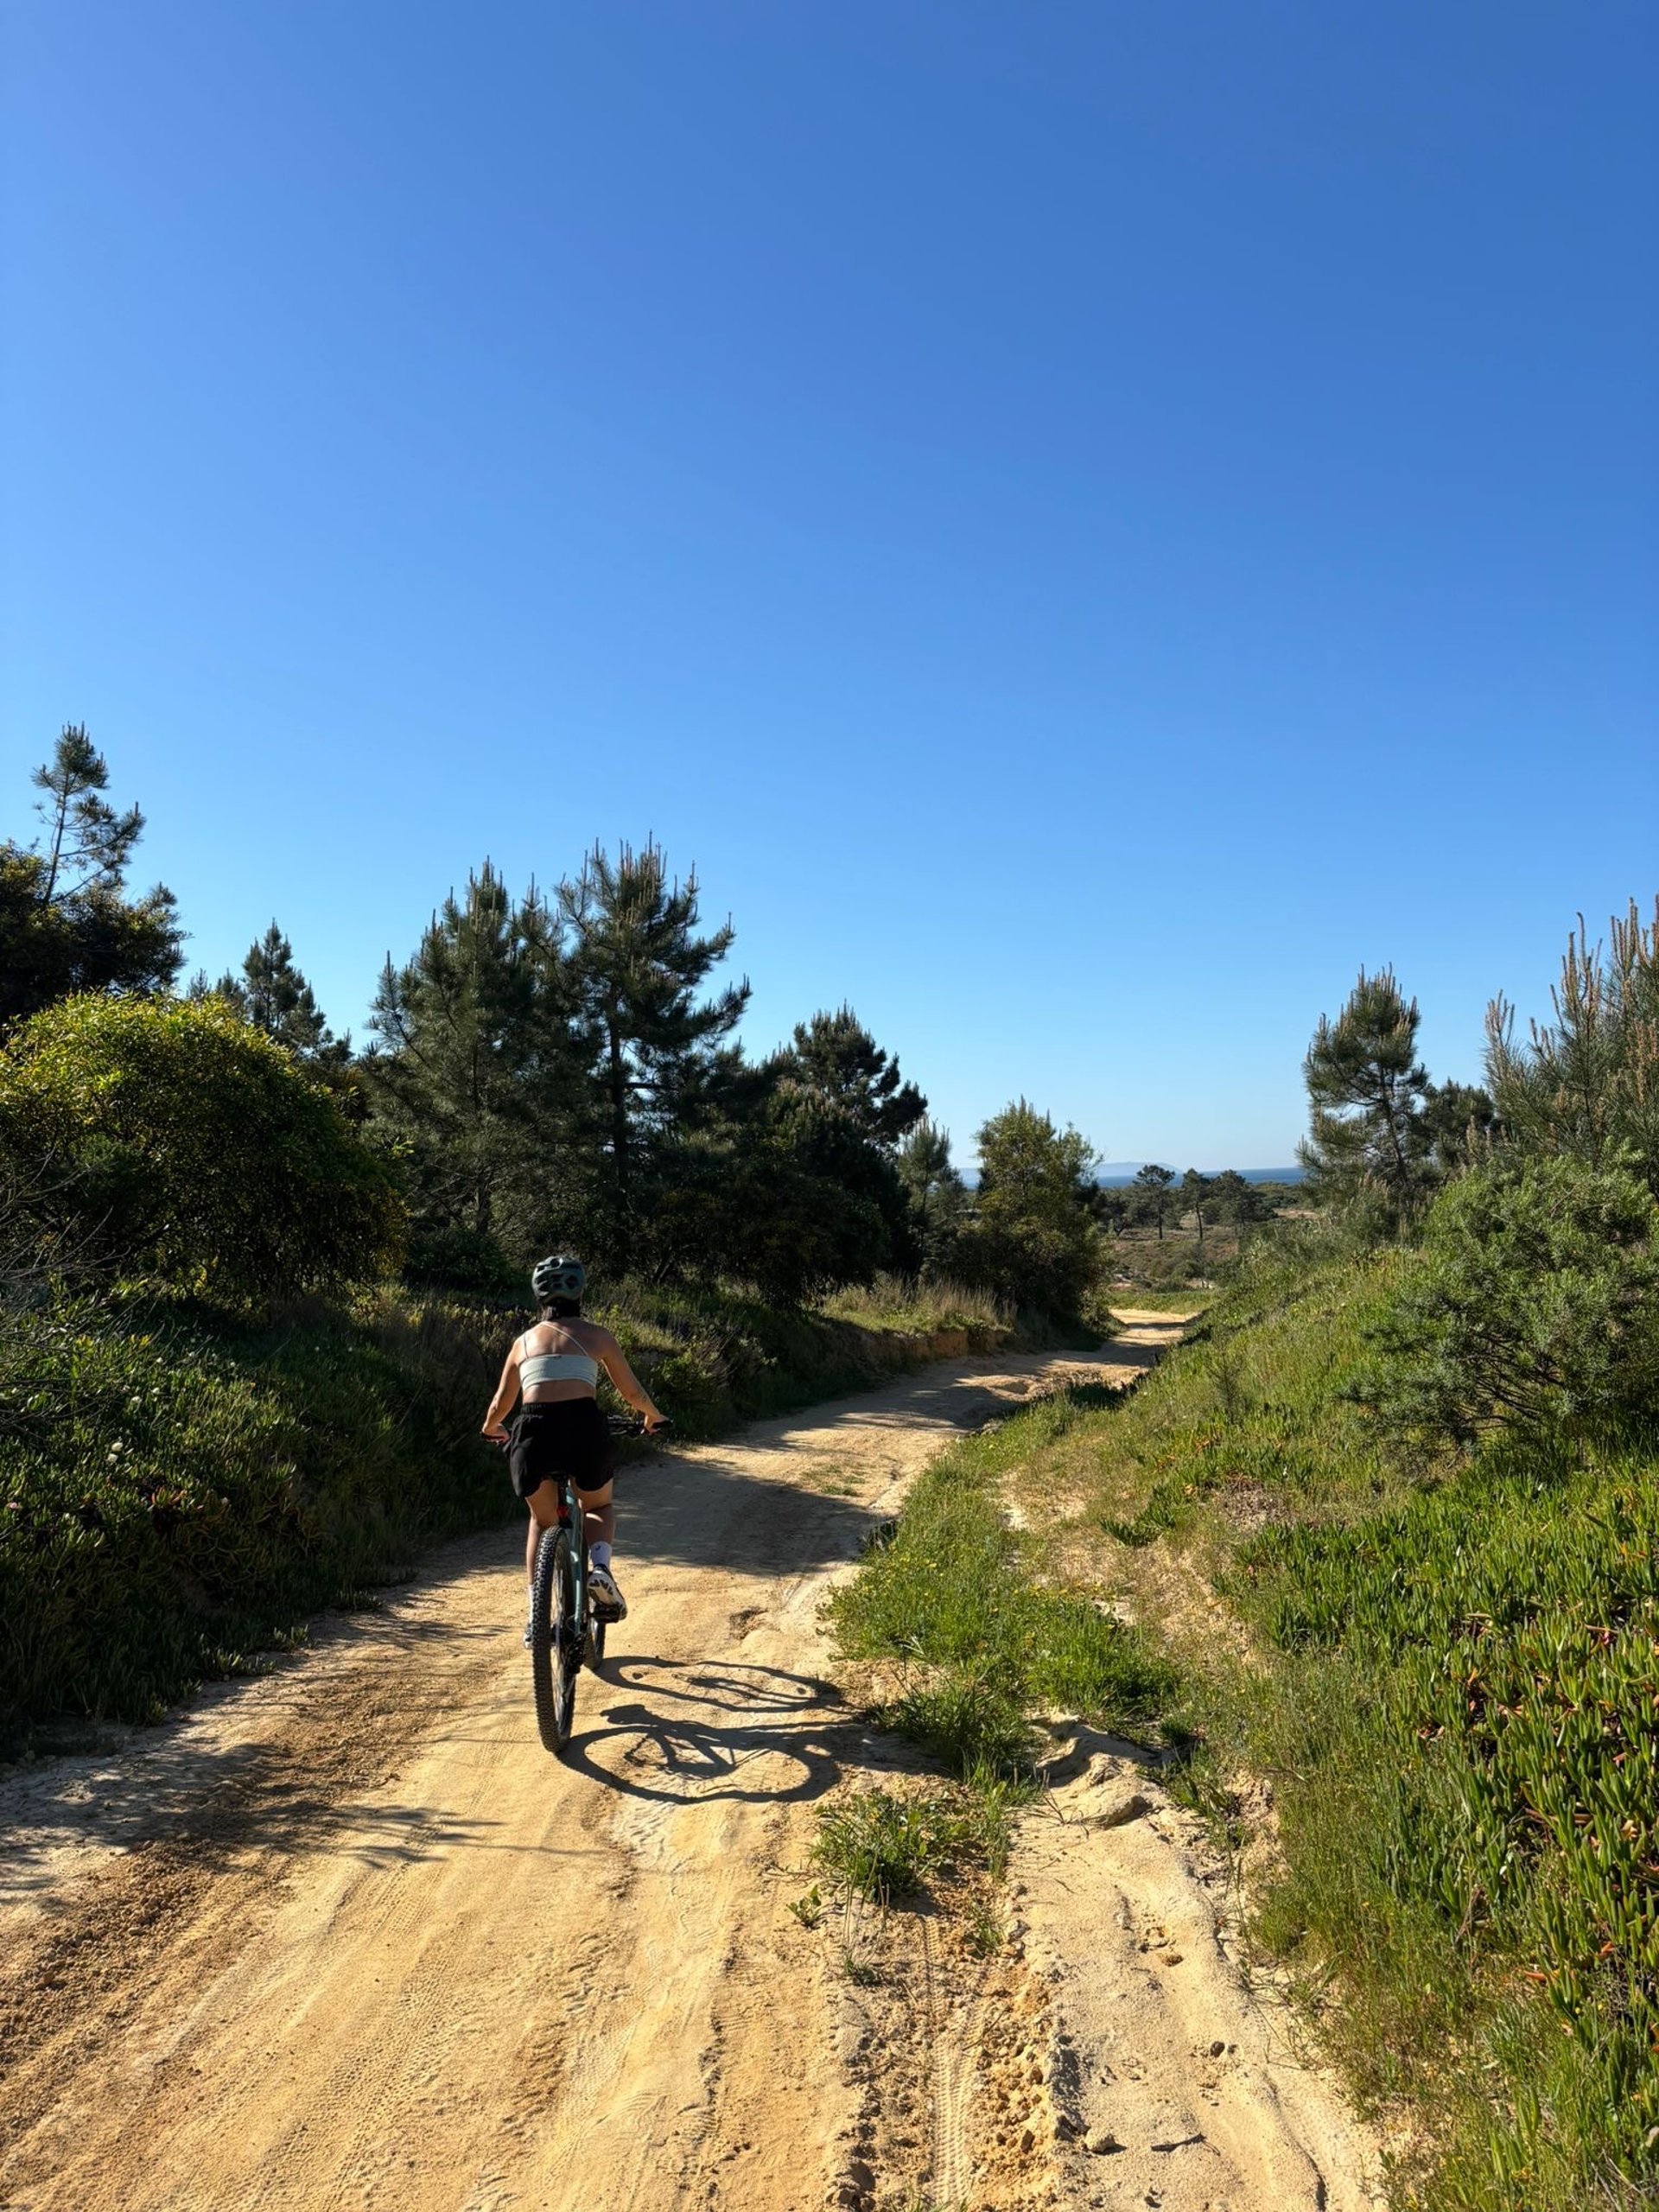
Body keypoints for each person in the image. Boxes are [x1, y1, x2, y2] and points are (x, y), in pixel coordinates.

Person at [481, 1254, 667, 1637]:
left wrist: (492, 1427)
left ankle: (536, 1610)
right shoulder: (598, 1336)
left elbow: (501, 1403)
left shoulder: (523, 1342)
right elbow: (631, 1391)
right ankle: (599, 1568)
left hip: (532, 1433)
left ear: (538, 1295)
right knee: (598, 1504)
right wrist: (653, 1416)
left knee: (541, 1519)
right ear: (580, 1292)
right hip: (583, 1428)